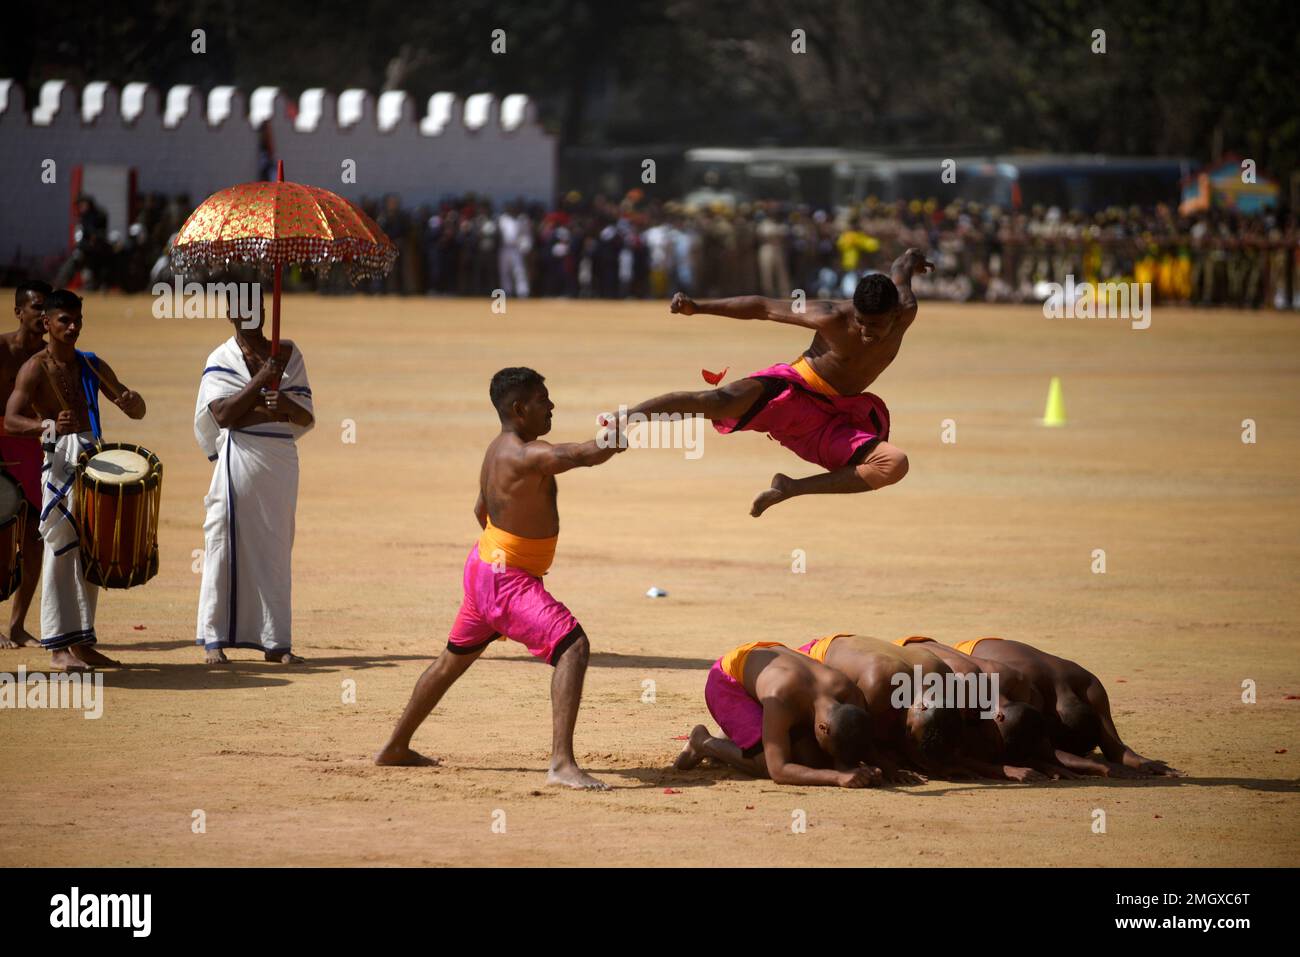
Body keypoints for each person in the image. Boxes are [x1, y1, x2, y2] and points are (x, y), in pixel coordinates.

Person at [375, 367, 623, 790]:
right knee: (573, 647)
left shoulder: (496, 451)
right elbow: (580, 455)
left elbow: (480, 509)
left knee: (450, 662)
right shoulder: (524, 454)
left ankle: (395, 747)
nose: (552, 406)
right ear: (518, 408)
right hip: (506, 578)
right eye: (544, 400)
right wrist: (614, 438)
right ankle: (561, 763)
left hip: (487, 567)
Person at [623, 248, 934, 516]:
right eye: (861, 321)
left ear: (895, 314)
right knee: (719, 402)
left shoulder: (907, 308)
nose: (866, 332)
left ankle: (790, 488)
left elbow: (902, 268)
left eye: (875, 325)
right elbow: (763, 307)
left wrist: (913, 258)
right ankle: (626, 417)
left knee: (894, 464)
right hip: (794, 389)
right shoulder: (831, 316)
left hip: (836, 417)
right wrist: (699, 308)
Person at [3, 290, 146, 671]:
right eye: (64, 321)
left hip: (93, 462)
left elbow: (135, 408)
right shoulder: (35, 368)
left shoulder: (91, 365)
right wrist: (47, 425)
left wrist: (133, 402)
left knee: (88, 554)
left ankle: (82, 642)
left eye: (77, 321)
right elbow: (11, 420)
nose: (72, 327)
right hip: (58, 465)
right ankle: (57, 646)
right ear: (47, 324)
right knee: (59, 549)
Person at [195, 286, 314, 664]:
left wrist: (282, 404)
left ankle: (276, 642)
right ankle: (213, 639)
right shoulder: (222, 357)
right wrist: (262, 379)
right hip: (238, 459)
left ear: (265, 309)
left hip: (279, 460)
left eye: (256, 305)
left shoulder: (289, 354)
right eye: (241, 307)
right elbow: (223, 415)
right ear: (230, 314)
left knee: (276, 546)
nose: (250, 313)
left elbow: (305, 415)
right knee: (222, 541)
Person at [954, 637, 1184, 777]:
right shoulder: (1024, 690)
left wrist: (1139, 761)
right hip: (965, 653)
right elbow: (1035, 747)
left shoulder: (1089, 686)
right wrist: (1094, 766)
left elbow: (1116, 750)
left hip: (990, 644)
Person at [673, 639, 880, 788]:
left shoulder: (848, 691)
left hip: (770, 659)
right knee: (763, 764)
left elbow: (856, 741)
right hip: (728, 682)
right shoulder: (781, 697)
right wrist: (837, 777)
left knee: (812, 759)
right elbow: (778, 770)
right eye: (832, 750)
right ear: (823, 728)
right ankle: (704, 743)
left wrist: (872, 767)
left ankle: (738, 733)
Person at [0, 281, 51, 647]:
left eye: (48, 309)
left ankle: (17, 625)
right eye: (37, 308)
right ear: (19, 311)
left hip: (33, 447)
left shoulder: (50, 358)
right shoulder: (0, 349)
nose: (43, 316)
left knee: (35, 537)